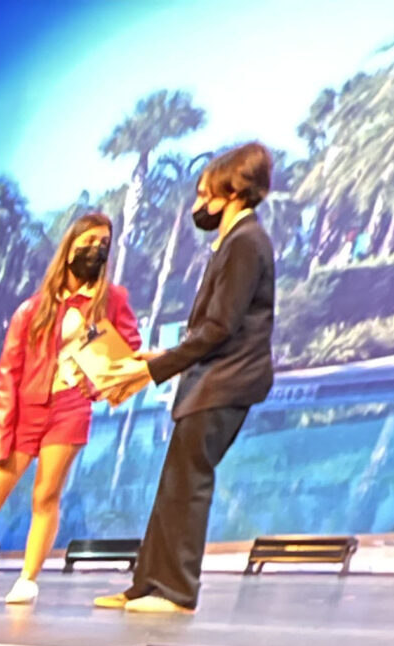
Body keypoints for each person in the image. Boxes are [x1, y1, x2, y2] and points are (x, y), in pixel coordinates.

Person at [0, 213, 139, 607]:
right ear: (69, 248)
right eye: (87, 242)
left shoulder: (112, 299)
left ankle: (28, 577)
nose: (95, 250)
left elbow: (129, 355)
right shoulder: (32, 309)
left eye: (103, 243)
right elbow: (7, 375)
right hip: (26, 410)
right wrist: (0, 433)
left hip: (70, 407)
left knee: (45, 495)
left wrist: (97, 386)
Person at [96, 143, 278, 615]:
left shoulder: (246, 243)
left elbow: (220, 328)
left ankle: (176, 592)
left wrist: (151, 369)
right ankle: (147, 582)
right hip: (209, 378)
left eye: (205, 194)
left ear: (233, 193)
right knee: (174, 483)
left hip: (226, 381)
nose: (199, 205)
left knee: (190, 482)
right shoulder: (234, 241)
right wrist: (156, 359)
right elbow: (210, 326)